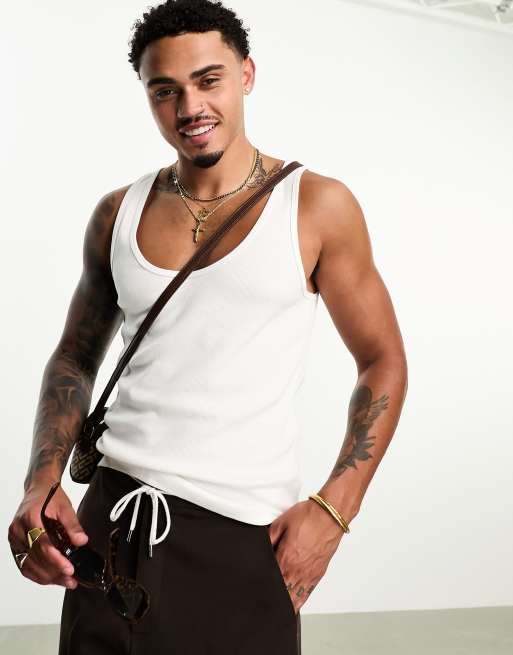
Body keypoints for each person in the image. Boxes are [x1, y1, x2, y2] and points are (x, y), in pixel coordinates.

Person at [7, 1, 408, 653]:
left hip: (243, 535)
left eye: (208, 80)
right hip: (110, 523)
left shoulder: (314, 206)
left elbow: (381, 358)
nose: (189, 106)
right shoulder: (118, 212)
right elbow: (75, 357)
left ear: (246, 74)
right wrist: (41, 480)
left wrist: (335, 509)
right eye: (165, 90)